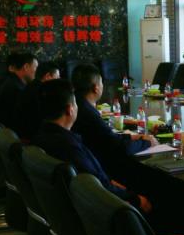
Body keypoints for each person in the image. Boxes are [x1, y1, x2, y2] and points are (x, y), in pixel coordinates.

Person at [34, 79, 151, 213]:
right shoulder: (69, 147)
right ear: (70, 110)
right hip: (102, 211)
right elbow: (97, 188)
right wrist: (135, 199)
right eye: (75, 103)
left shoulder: (42, 136)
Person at [70, 64, 153, 178]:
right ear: (96, 88)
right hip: (100, 171)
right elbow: (119, 148)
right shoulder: (89, 113)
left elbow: (108, 137)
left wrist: (131, 137)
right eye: (101, 83)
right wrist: (147, 142)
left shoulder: (76, 104)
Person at [12, 62, 60, 141]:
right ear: (47, 76)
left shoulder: (29, 86)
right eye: (57, 78)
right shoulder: (43, 93)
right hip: (32, 139)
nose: (58, 81)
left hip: (20, 134)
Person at [0, 52, 37, 126]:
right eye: (36, 67)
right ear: (26, 67)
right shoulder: (17, 89)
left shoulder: (6, 81)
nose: (37, 72)